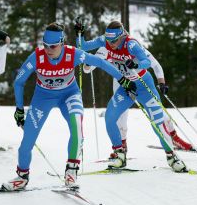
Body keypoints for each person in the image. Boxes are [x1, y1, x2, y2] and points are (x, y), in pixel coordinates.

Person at [1, 22, 136, 191]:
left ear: (62, 43)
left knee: (77, 128)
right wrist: (19, 109)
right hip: (43, 97)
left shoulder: (73, 54)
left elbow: (100, 63)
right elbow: (19, 82)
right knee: (28, 139)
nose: (48, 49)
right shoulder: (37, 57)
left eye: (53, 46)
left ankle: (71, 171)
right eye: (45, 45)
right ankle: (22, 177)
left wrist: (123, 79)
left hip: (69, 95)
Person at [75, 20, 187, 172]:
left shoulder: (131, 44)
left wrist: (136, 65)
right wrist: (79, 34)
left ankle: (171, 156)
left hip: (143, 85)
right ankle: (120, 154)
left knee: (157, 122)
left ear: (121, 36)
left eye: (113, 40)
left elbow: (147, 62)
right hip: (126, 87)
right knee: (110, 117)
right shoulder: (105, 41)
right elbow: (83, 46)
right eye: (108, 40)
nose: (110, 44)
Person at [83, 46, 192, 153]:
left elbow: (155, 64)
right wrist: (89, 61)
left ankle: (174, 138)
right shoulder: (105, 48)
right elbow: (87, 69)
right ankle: (121, 148)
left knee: (159, 115)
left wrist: (161, 82)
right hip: (122, 85)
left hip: (140, 83)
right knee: (119, 118)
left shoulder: (133, 46)